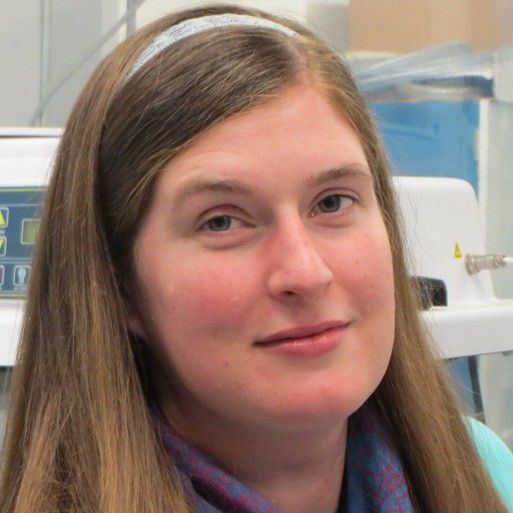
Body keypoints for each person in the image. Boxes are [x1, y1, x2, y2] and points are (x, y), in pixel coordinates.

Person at [0, 4, 512, 513]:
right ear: (119, 287)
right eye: (221, 221)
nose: (306, 273)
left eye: (333, 202)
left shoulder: (481, 468)